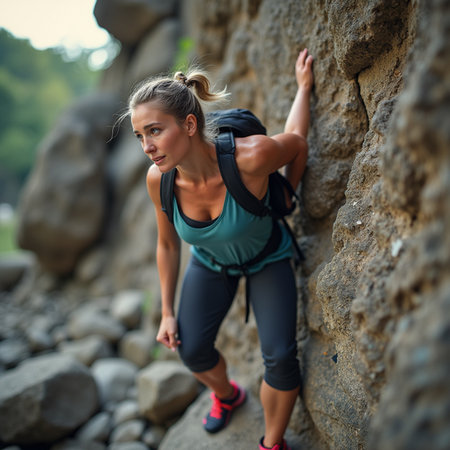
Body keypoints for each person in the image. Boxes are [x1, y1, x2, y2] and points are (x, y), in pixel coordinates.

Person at [128, 49, 313, 450]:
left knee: (281, 359)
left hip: (267, 256)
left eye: (155, 131)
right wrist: (166, 312)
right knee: (191, 349)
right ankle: (228, 396)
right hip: (211, 264)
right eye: (140, 136)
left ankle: (272, 443)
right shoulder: (157, 180)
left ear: (189, 124)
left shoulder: (251, 159)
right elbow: (166, 243)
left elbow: (296, 142)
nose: (147, 145)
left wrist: (287, 195)